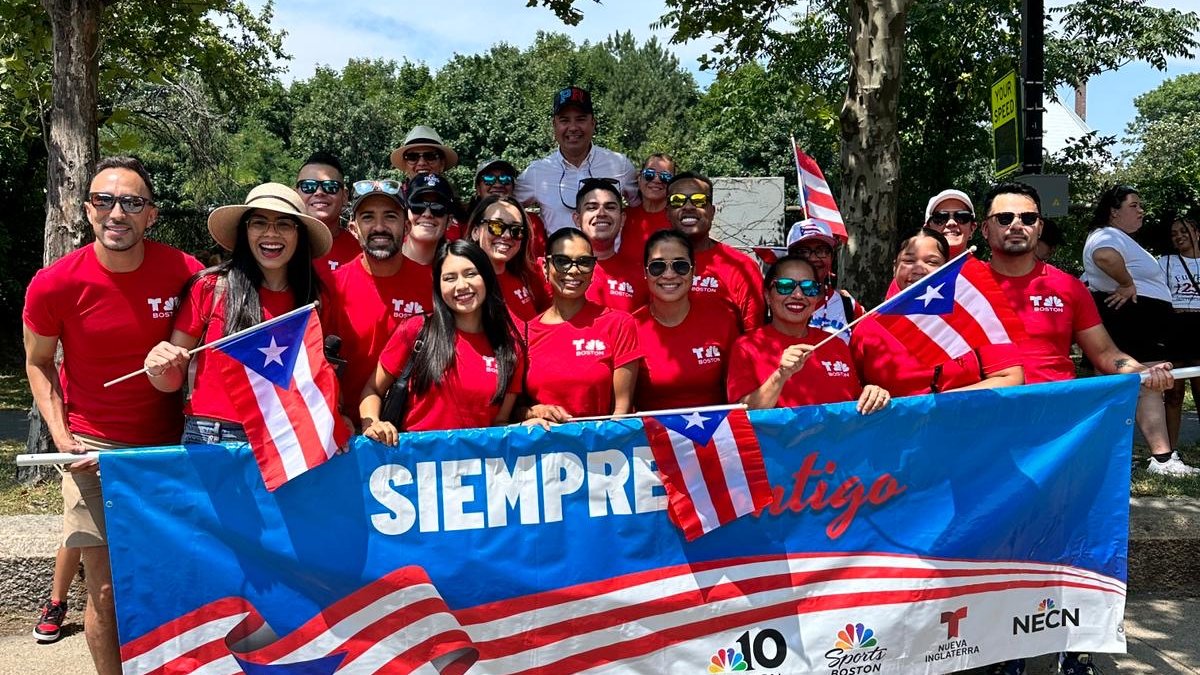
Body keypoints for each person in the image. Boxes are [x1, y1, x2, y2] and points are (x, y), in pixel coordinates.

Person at [23, 157, 202, 667]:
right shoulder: (54, 283)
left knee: (177, 581)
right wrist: (61, 438)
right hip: (94, 450)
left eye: (131, 202)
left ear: (152, 215)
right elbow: (37, 364)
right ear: (87, 210)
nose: (116, 212)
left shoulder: (186, 271)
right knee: (105, 592)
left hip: (172, 449)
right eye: (104, 200)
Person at [982, 181, 1194, 483]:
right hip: (987, 426)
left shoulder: (1068, 287)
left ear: (1040, 227)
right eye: (1005, 218)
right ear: (985, 229)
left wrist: (1143, 371)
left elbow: (1107, 354)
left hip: (1055, 431)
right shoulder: (962, 286)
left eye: (1028, 218)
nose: (1017, 225)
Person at [142, 182, 330, 444]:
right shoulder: (211, 287)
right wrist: (156, 366)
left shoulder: (312, 298)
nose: (271, 233)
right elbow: (171, 379)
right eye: (259, 223)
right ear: (245, 231)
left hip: (285, 436)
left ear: (300, 236)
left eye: (285, 224)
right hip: (211, 435)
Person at [359, 240, 523, 439]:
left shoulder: (510, 347)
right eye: (449, 278)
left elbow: (499, 424)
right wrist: (373, 423)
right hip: (414, 464)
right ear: (438, 285)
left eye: (471, 274)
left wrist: (528, 428)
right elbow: (373, 388)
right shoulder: (416, 330)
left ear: (487, 277)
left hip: (476, 466)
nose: (461, 286)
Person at [851, 228, 1025, 396]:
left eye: (932, 262)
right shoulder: (868, 327)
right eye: (909, 261)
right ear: (894, 267)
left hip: (965, 421)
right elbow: (850, 392)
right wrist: (871, 393)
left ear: (946, 269)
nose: (919, 269)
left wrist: (940, 406)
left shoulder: (970, 314)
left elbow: (1010, 378)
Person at [324, 179, 432, 427]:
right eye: (368, 217)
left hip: (416, 434)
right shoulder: (330, 287)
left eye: (390, 217)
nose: (379, 227)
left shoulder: (435, 284)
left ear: (407, 227)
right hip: (347, 432)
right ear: (353, 229)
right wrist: (337, 415)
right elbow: (317, 365)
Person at [726, 254, 890, 414]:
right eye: (785, 285)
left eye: (808, 288)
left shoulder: (836, 344)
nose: (798, 295)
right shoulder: (747, 347)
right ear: (768, 296)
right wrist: (780, 376)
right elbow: (741, 416)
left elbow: (854, 404)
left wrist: (873, 394)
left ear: (816, 299)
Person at [520, 228, 642, 421]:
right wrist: (533, 412)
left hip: (601, 447)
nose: (574, 270)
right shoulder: (525, 333)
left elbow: (622, 411)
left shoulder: (619, 324)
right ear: (545, 268)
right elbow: (510, 411)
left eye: (584, 262)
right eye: (562, 261)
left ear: (593, 270)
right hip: (542, 447)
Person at [633, 230, 740, 411]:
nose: (668, 274)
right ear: (645, 272)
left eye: (680, 266)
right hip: (651, 436)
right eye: (657, 266)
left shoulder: (722, 320)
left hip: (716, 435)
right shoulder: (630, 327)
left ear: (694, 270)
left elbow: (738, 393)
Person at [515, 86, 638, 236]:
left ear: (593, 123)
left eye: (580, 119)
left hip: (610, 258)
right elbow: (504, 207)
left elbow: (642, 208)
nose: (573, 128)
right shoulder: (536, 172)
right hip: (560, 258)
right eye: (564, 120)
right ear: (554, 125)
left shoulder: (620, 165)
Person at [1081, 185, 1175, 368]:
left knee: (1146, 386)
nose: (1141, 210)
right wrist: (1126, 283)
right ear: (1114, 211)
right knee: (1148, 385)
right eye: (1134, 205)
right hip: (1134, 323)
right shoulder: (1106, 234)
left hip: (1139, 322)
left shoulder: (1115, 236)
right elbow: (1104, 256)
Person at [667, 172, 765, 333]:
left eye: (699, 200)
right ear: (667, 212)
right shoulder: (652, 265)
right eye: (677, 201)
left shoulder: (742, 267)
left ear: (712, 211)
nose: (688, 206)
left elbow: (754, 339)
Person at [467, 195, 549, 322]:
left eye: (516, 230)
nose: (506, 235)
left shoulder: (527, 277)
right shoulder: (465, 284)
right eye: (496, 226)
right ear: (476, 231)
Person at [574, 177, 650, 313]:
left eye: (610, 207)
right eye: (592, 207)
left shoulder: (643, 275)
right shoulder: (557, 270)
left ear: (622, 219)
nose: (601, 213)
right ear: (577, 219)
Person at [1158, 214, 1200, 451]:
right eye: (1174, 234)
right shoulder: (1165, 262)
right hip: (1175, 328)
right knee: (1173, 394)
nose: (1178, 237)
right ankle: (1169, 452)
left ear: (1196, 233)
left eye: (1183, 231)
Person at [786, 219, 863, 341]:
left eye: (821, 251)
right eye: (803, 252)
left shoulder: (848, 306)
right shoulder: (774, 304)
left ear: (831, 257)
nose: (813, 258)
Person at [390, 126, 466, 239]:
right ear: (405, 164)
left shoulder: (459, 210)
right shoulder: (391, 201)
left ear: (442, 163)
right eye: (412, 157)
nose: (421, 163)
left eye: (430, 156)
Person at [296, 151, 359, 274]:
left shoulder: (362, 252)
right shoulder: (279, 246)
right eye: (308, 186)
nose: (319, 192)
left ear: (345, 196)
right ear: (295, 193)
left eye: (331, 186)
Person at [622, 153, 675, 250]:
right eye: (649, 174)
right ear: (639, 178)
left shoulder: (677, 219)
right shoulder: (622, 217)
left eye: (665, 176)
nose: (656, 180)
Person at [402, 173, 455, 269]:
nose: (427, 214)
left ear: (449, 221)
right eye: (418, 205)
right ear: (406, 214)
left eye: (437, 207)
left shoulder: (456, 268)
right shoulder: (382, 259)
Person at [923, 188, 977, 256]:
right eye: (940, 217)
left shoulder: (981, 267)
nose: (951, 223)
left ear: (972, 228)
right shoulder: (912, 266)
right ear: (927, 230)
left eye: (962, 217)